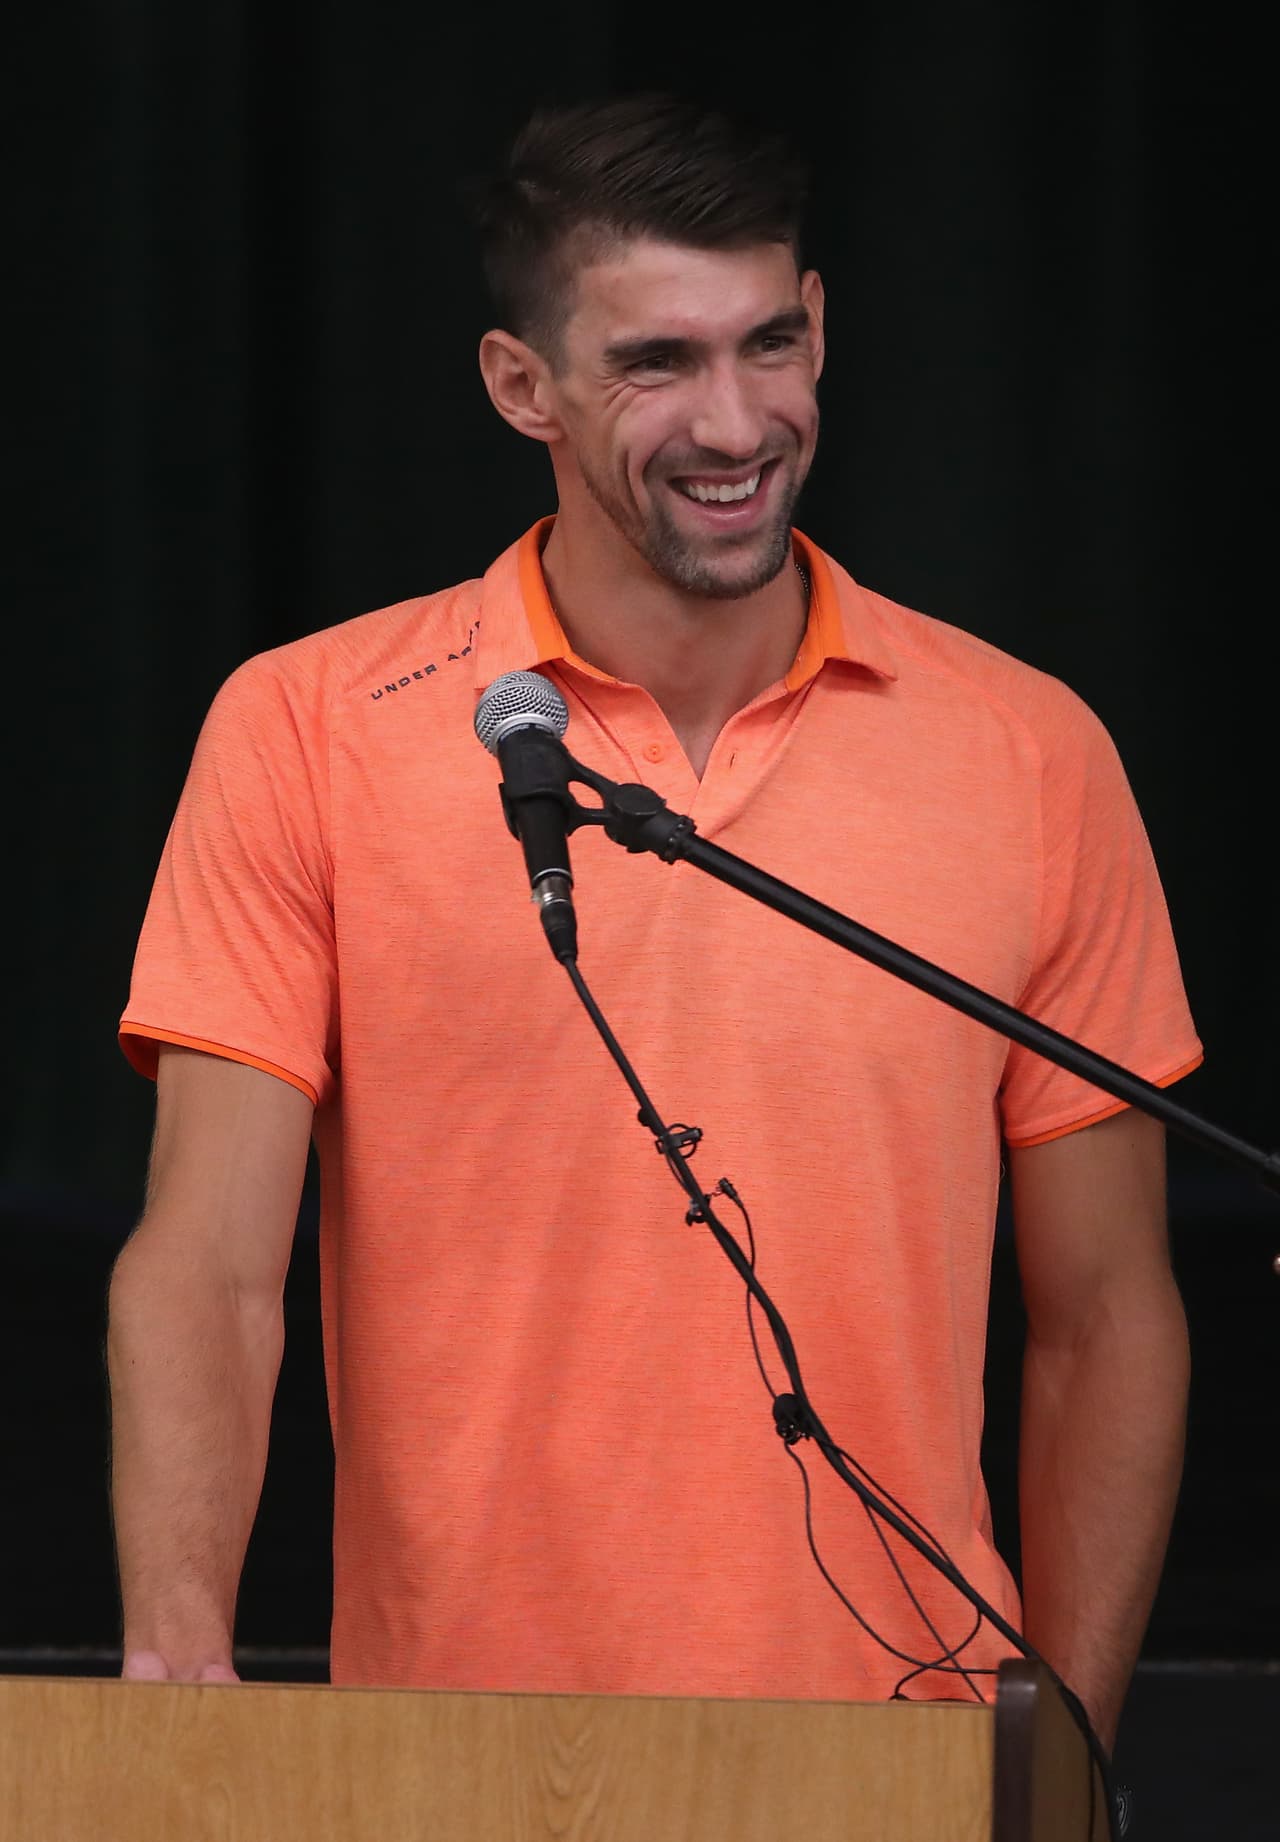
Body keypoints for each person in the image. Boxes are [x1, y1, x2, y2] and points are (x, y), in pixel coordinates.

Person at [108, 92, 1198, 1760]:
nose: (736, 419)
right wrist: (176, 1674)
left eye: (771, 343)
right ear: (518, 386)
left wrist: (1062, 1756)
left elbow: (1108, 1312)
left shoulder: (1030, 751)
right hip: (449, 1762)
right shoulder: (308, 729)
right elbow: (210, 1268)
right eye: (657, 364)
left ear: (823, 326)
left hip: (897, 1758)